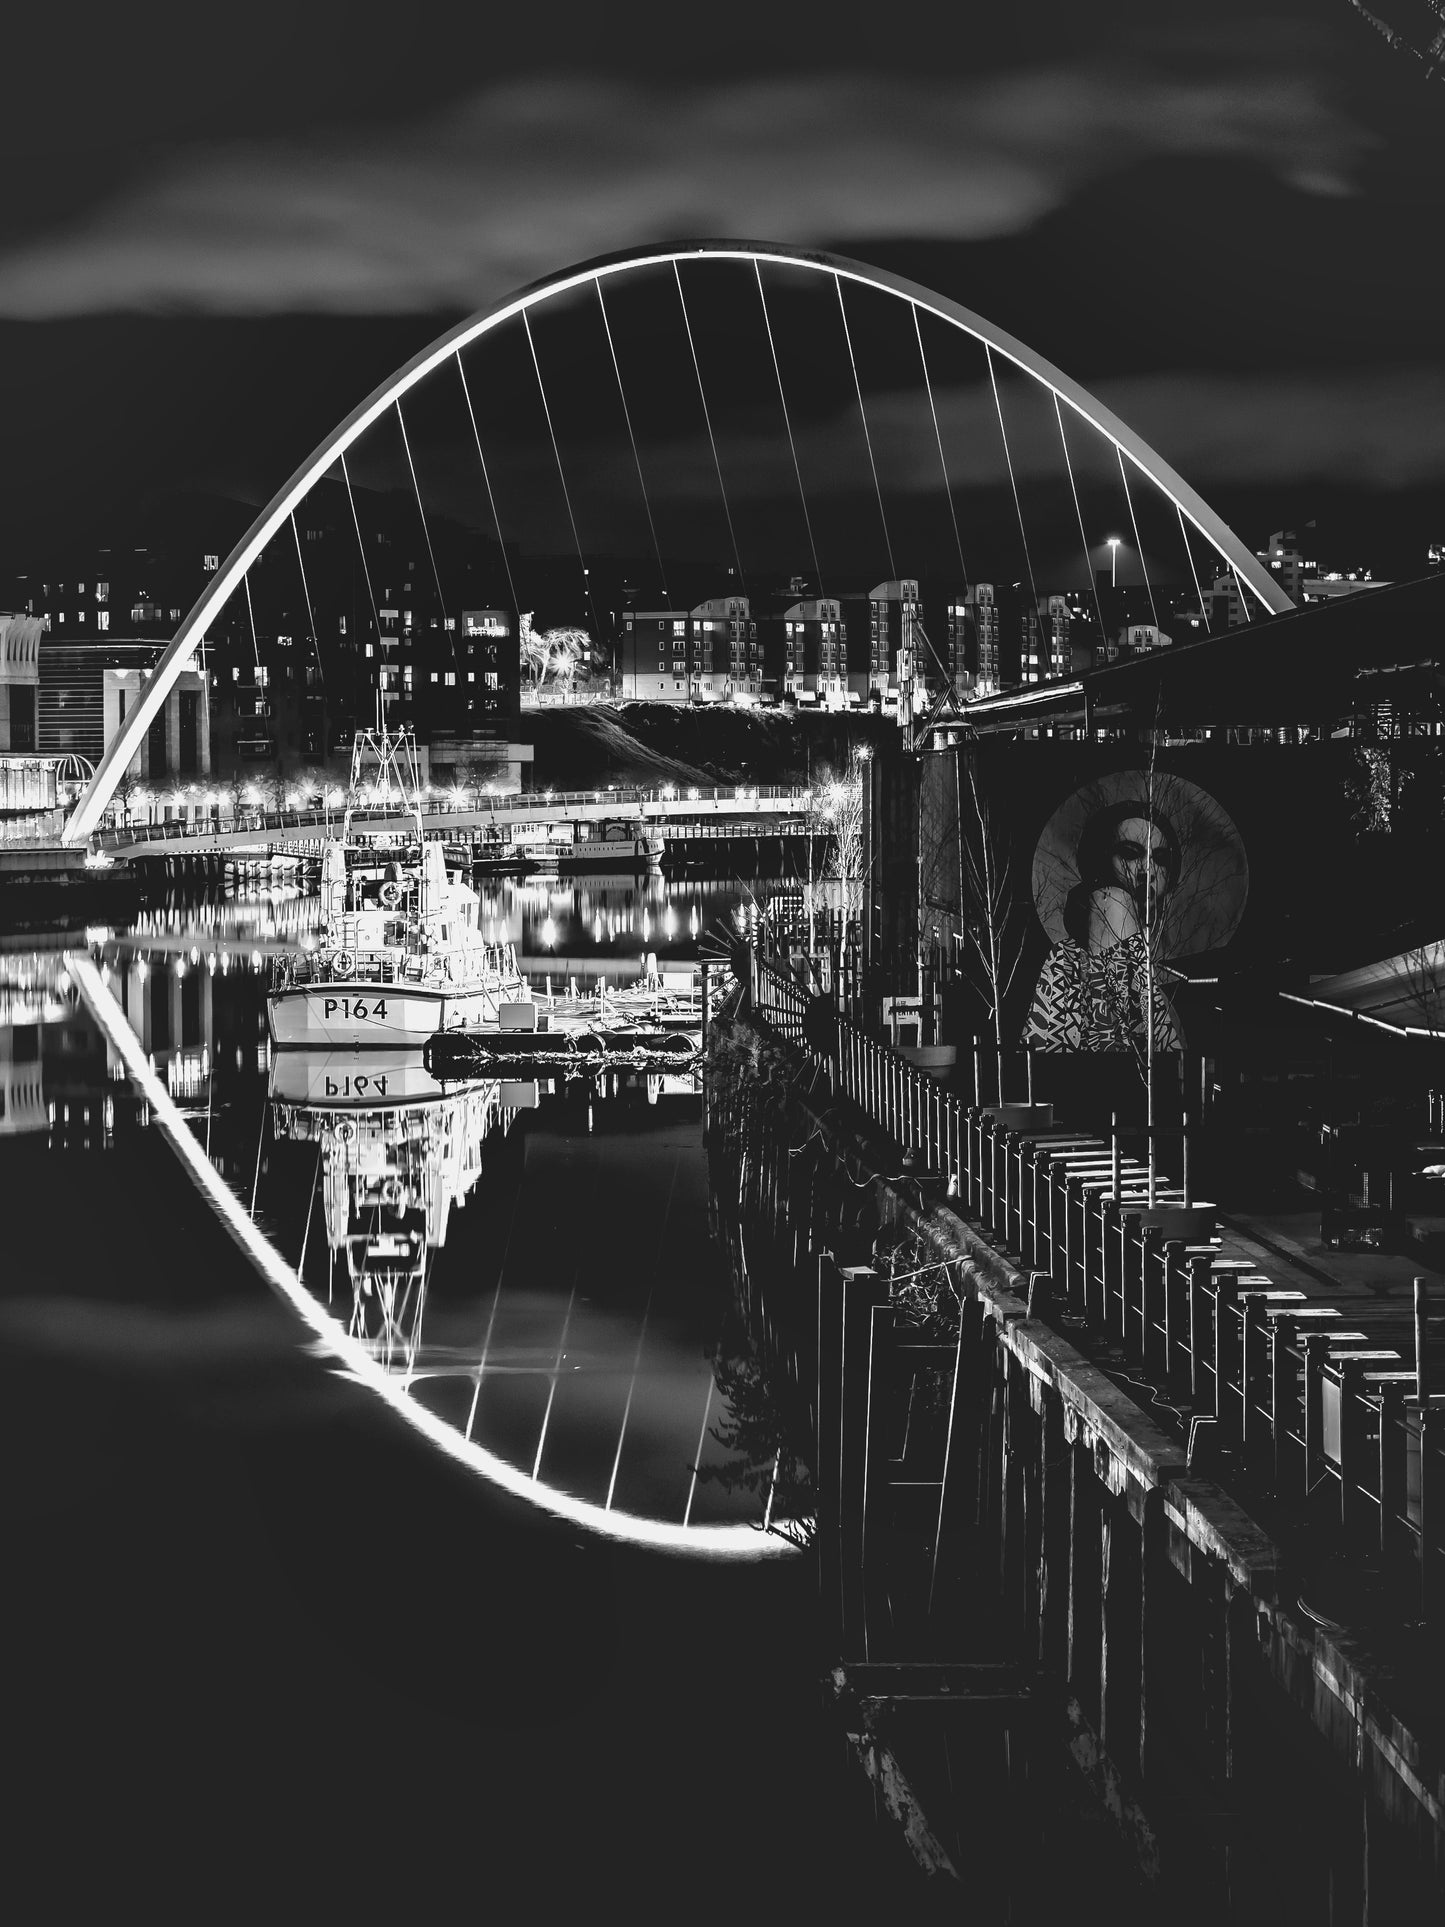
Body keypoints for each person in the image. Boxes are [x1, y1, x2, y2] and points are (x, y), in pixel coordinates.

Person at [1024, 799, 1184, 1053]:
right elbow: (1119, 1042)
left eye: (1161, 858)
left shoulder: (1147, 947)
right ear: (1101, 859)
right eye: (1130, 854)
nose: (1148, 870)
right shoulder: (1110, 903)